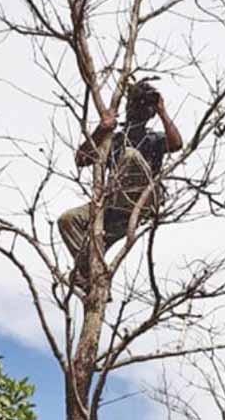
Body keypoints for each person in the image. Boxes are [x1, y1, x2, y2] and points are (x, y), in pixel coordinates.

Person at [58, 79, 183, 289]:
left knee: (131, 155)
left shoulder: (153, 139)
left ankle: (87, 270)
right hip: (112, 206)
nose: (141, 109)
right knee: (68, 219)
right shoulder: (114, 140)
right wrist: (101, 129)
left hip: (140, 201)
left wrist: (162, 112)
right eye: (137, 103)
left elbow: (177, 144)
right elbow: (81, 159)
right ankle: (91, 273)